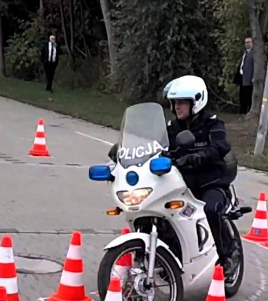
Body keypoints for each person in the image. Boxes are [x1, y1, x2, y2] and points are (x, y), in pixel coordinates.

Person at [108, 75, 239, 278]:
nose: (177, 107)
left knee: (211, 209)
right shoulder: (171, 128)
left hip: (210, 182)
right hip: (181, 182)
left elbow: (221, 146)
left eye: (182, 102)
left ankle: (226, 257)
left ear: (196, 102)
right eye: (175, 102)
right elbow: (154, 146)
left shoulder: (213, 125)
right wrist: (124, 154)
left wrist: (199, 156)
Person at [232, 37, 254, 114]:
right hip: (242, 76)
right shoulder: (244, 53)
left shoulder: (253, 54)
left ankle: (247, 110)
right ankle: (242, 110)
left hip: (249, 78)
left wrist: (253, 77)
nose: (247, 44)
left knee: (248, 95)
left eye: (249, 42)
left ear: (252, 43)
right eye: (246, 42)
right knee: (241, 94)